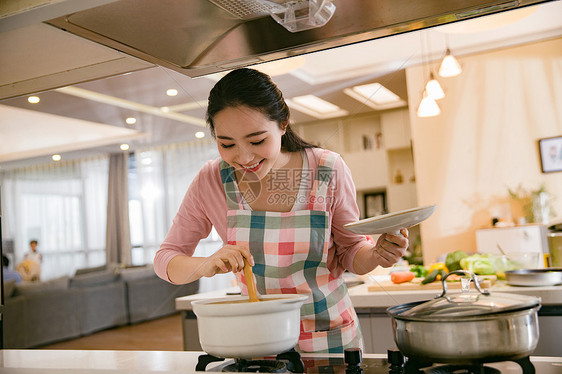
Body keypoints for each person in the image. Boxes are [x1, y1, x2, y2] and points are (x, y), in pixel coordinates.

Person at [154, 68, 409, 353]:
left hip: (331, 341)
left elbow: (351, 254)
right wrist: (205, 264)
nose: (244, 157)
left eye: (257, 141)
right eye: (227, 144)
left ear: (283, 124)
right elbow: (165, 260)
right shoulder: (211, 180)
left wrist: (376, 254)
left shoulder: (327, 169)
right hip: (261, 344)